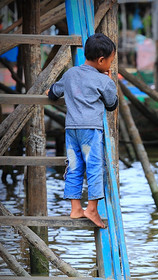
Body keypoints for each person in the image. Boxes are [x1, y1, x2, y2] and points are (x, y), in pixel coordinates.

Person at [47, 33, 118, 228]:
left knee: (75, 166)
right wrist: (109, 81)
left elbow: (53, 93)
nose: (110, 65)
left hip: (72, 130)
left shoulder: (70, 74)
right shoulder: (103, 81)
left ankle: (76, 208)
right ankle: (92, 209)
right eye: (110, 61)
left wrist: (49, 92)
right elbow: (112, 104)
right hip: (91, 130)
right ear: (102, 60)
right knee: (95, 167)